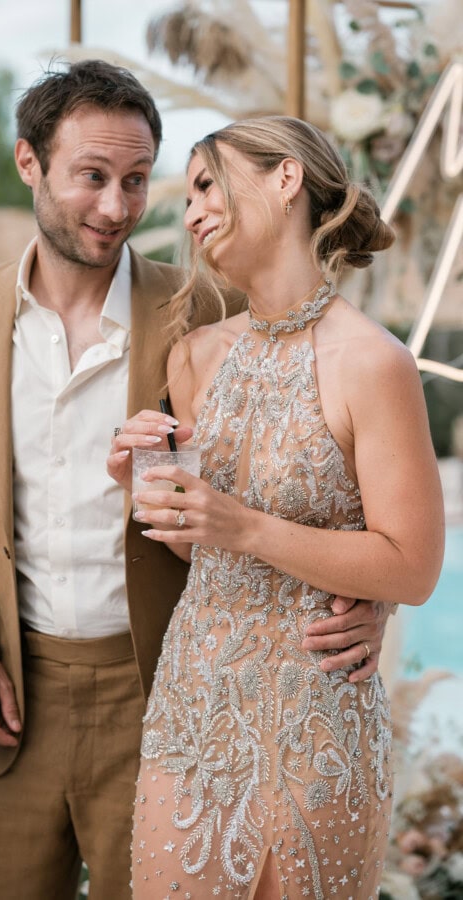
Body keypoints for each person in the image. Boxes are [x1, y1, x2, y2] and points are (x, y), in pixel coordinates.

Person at [0, 62, 393, 900]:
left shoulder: (204, 310)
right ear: (29, 163)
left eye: (136, 181)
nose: (116, 208)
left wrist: (367, 599)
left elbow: (296, 470)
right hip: (11, 700)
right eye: (91, 178)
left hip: (163, 693)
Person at [107, 116, 445, 900]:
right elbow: (202, 547)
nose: (190, 213)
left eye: (204, 184)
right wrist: (147, 491)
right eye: (186, 196)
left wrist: (243, 524)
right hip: (192, 713)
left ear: (285, 179)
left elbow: (415, 565)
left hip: (316, 719)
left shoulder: (375, 363)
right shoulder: (191, 356)